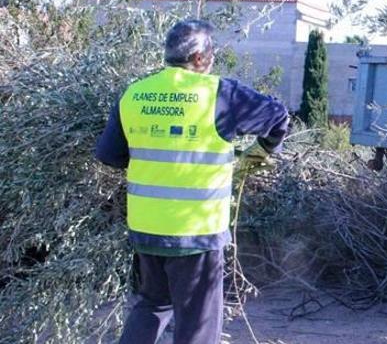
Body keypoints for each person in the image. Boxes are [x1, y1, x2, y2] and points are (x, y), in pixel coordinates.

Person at [95, 19, 290, 344]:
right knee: (197, 326)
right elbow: (278, 116)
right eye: (211, 53)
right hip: (196, 234)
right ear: (200, 58)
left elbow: (109, 155)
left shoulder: (134, 94)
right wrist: (258, 154)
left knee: (152, 305)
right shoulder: (220, 94)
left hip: (147, 230)